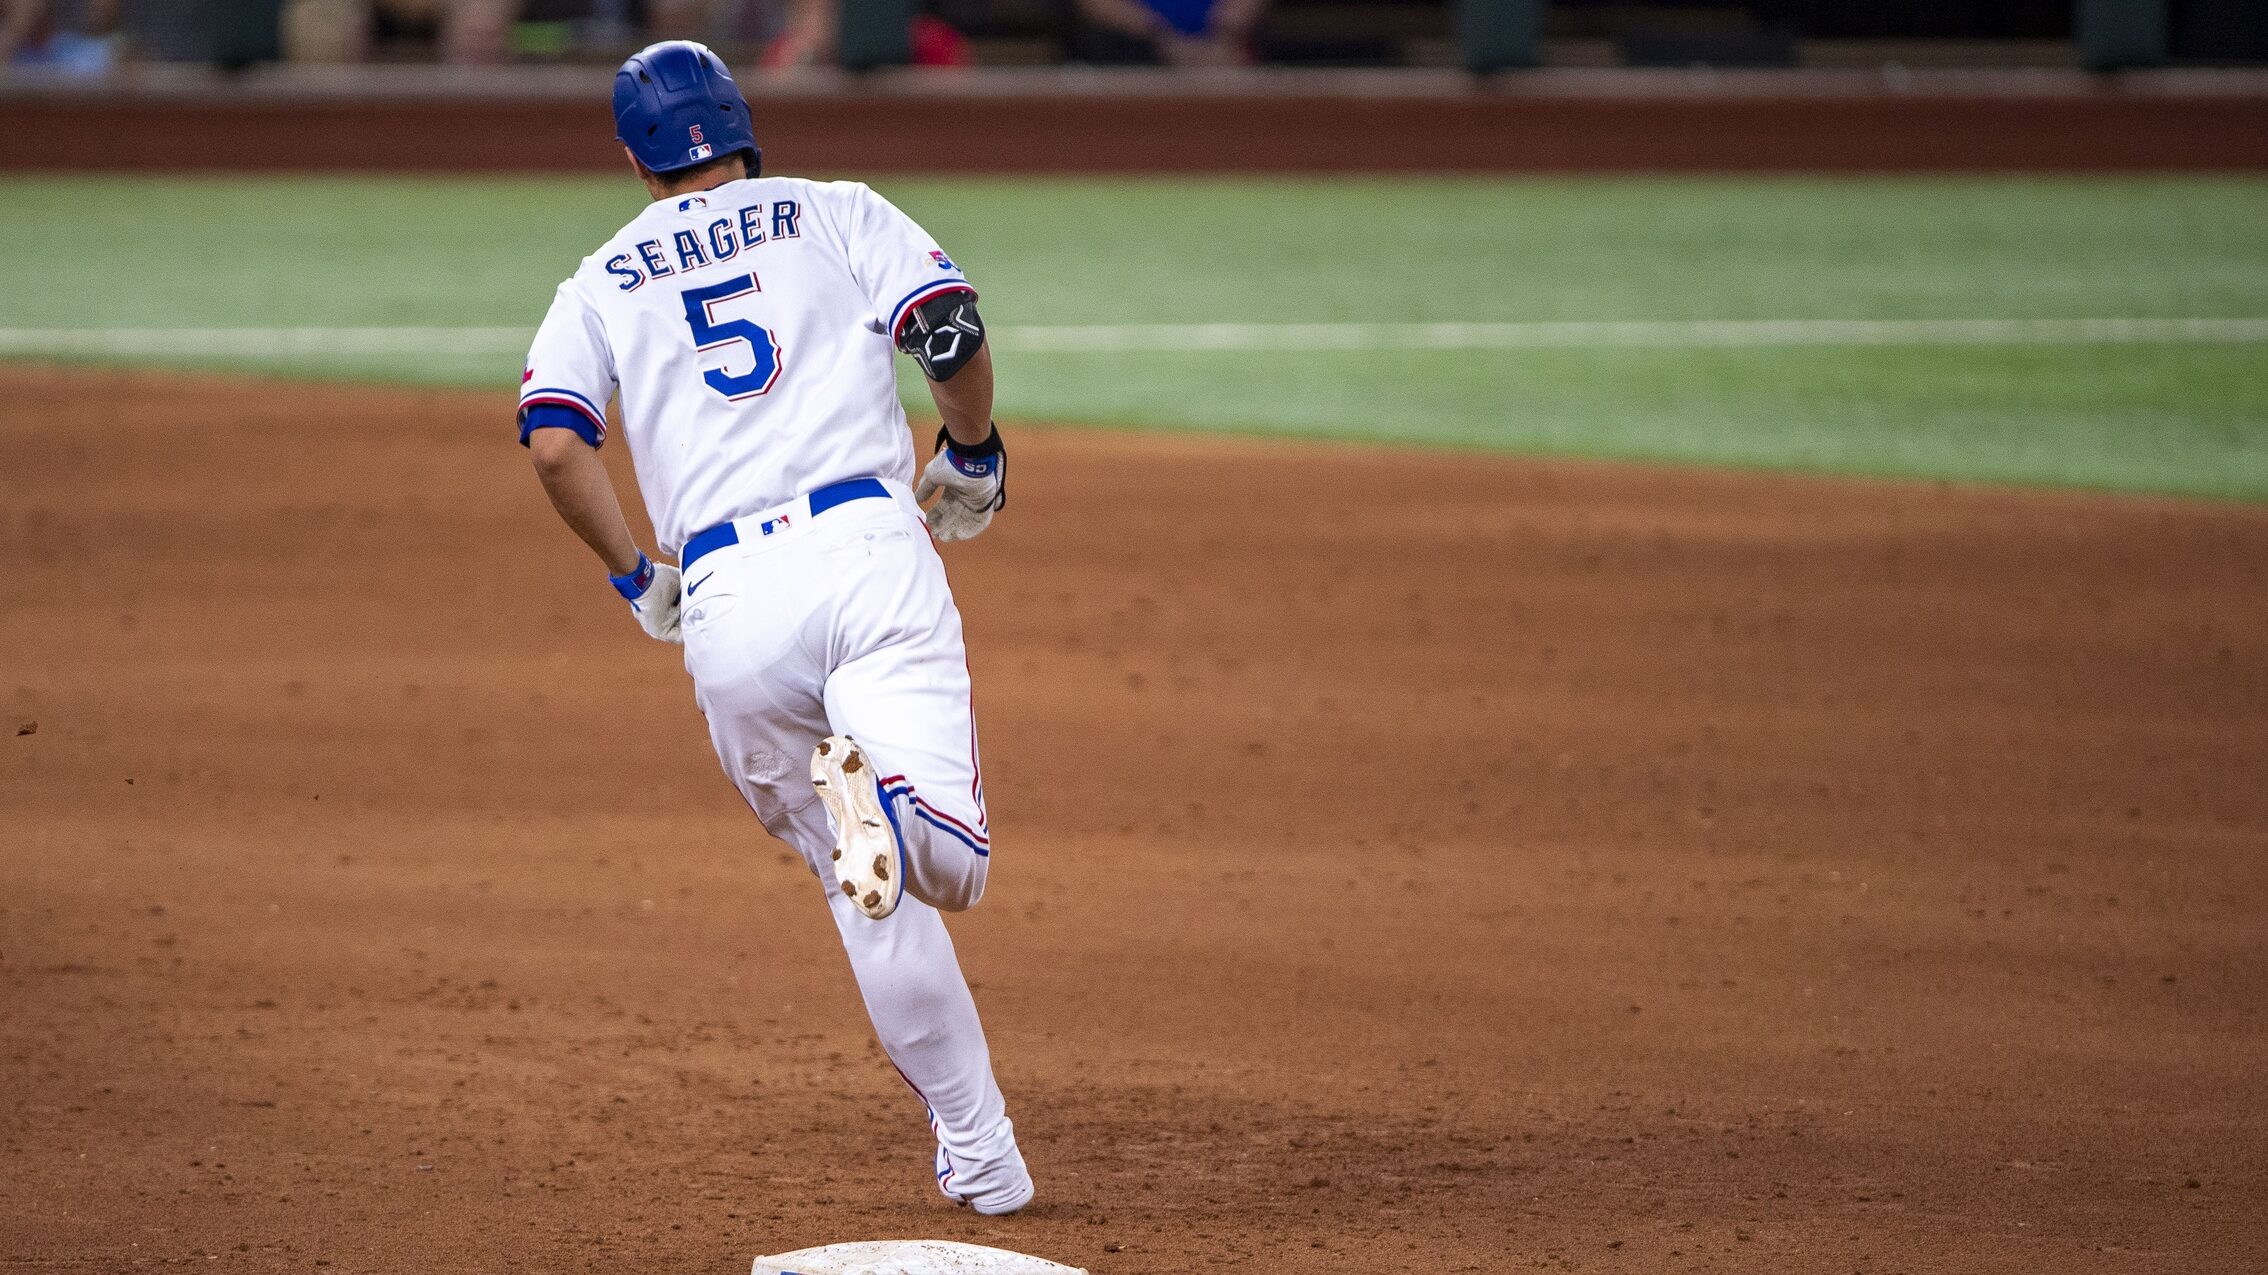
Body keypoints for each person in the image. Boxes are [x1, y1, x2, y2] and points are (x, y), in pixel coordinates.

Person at [515, 40, 1030, 1214]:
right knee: (941, 856)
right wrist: (972, 453)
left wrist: (637, 577)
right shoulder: (836, 210)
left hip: (732, 605)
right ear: (747, 125)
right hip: (867, 551)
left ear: (638, 166)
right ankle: (909, 813)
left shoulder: (598, 278)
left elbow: (554, 440)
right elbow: (944, 329)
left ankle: (986, 1157)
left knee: (865, 890)